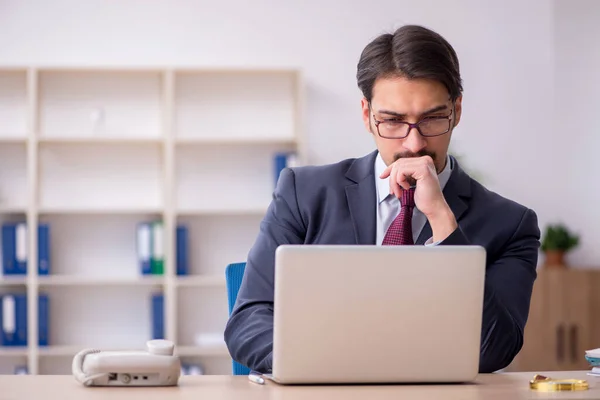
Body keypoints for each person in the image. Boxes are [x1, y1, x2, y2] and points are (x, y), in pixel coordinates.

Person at [224, 24, 540, 374]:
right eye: (392, 121)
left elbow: (494, 351)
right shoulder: (303, 192)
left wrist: (442, 220)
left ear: (457, 111)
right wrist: (341, 367)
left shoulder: (511, 224)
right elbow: (248, 323)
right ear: (367, 116)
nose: (414, 143)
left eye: (433, 119)